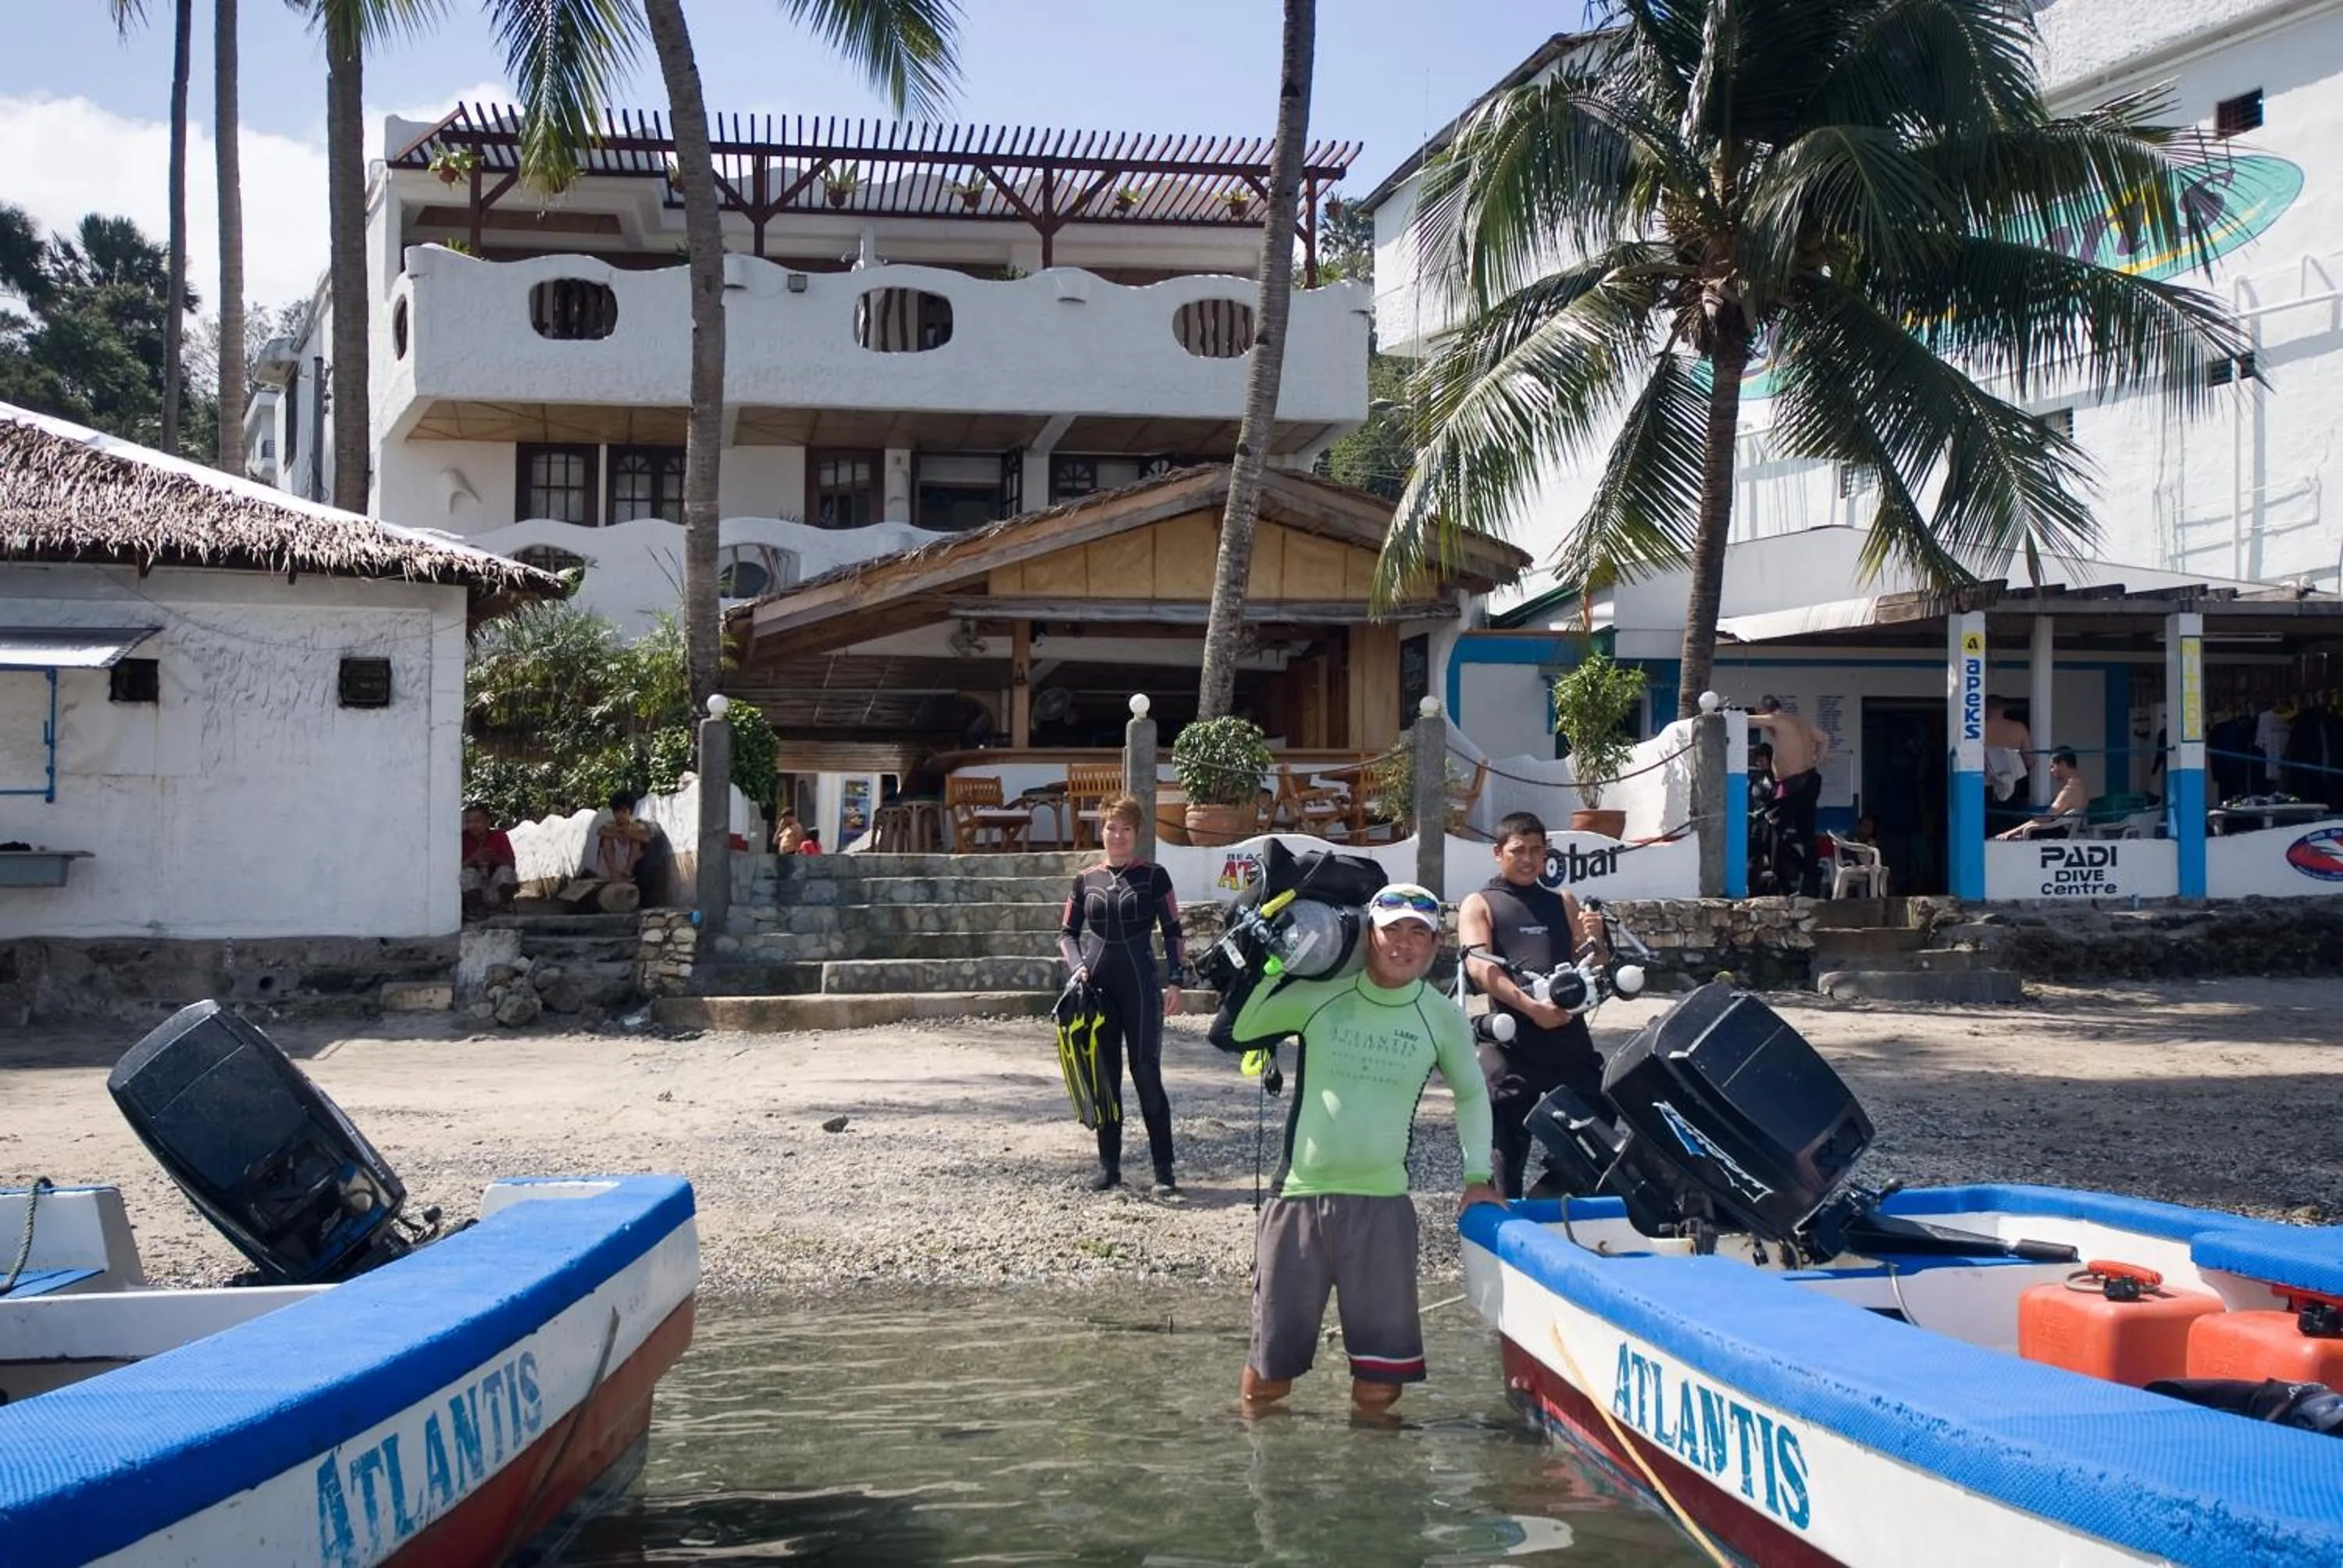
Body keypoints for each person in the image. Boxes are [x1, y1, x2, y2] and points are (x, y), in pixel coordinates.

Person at [1221, 882, 1498, 1418]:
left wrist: (1478, 1175)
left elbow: (1471, 1092)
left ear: (1436, 944)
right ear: (1369, 935)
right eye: (1393, 930)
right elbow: (1244, 1027)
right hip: (1298, 1198)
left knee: (1380, 1385)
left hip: (1383, 1206)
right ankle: (1271, 1477)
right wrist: (1275, 967)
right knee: (1269, 1377)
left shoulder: (1440, 1016)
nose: (1405, 944)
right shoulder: (1325, 994)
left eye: (1419, 933)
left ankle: (1371, 1492)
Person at [1457, 813, 1608, 1200]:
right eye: (1518, 851)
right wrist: (1529, 1006)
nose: (1528, 859)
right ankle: (1503, 1223)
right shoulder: (1481, 903)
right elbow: (1478, 966)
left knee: (1598, 1125)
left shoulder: (1563, 901)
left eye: (1537, 851)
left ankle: (1550, 1201)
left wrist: (1597, 939)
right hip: (1512, 1041)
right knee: (1505, 1147)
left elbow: (1593, 964)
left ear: (1546, 855)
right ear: (1498, 853)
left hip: (1567, 1035)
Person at [1057, 795, 1186, 1194]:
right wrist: (1076, 966)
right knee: (1104, 1077)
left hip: (1141, 987)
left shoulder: (1153, 876)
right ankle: (1109, 1167)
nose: (1117, 836)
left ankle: (1164, 1172)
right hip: (1098, 989)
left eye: (1125, 829)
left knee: (1146, 1072)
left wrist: (1176, 980)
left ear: (1137, 833)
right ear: (1103, 830)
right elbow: (1067, 934)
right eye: (1111, 828)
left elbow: (1174, 931)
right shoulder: (1086, 880)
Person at [1748, 697, 1828, 894]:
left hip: (1794, 785)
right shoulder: (1800, 723)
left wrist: (1726, 714)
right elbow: (1824, 738)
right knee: (1806, 834)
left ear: (1764, 711)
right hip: (1810, 780)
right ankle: (1811, 880)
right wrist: (1817, 760)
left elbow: (1750, 721)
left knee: (1771, 829)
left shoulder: (1778, 719)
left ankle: (1783, 881)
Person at [1995, 747, 2089, 839]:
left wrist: (2010, 832)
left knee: (2008, 821)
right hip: (2058, 829)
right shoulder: (2079, 785)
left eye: (2053, 767)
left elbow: (2046, 818)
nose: (2051, 771)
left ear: (2063, 764)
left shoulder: (2070, 789)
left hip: (2057, 833)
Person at [459, 803, 518, 918]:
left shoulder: (499, 836)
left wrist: (493, 858)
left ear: (488, 822)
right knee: (468, 873)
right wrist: (474, 858)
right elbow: (456, 869)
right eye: (469, 822)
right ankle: (476, 910)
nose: (473, 825)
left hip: (496, 889)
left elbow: (512, 864)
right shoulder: (462, 838)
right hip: (474, 891)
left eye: (477, 821)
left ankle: (504, 907)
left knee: (505, 871)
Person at [1984, 697, 2033, 804]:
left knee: (1985, 817)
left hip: (1984, 783)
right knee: (2011, 817)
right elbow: (2030, 760)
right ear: (2003, 709)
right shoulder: (2018, 728)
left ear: (1984, 708)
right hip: (2012, 782)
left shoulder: (1976, 730)